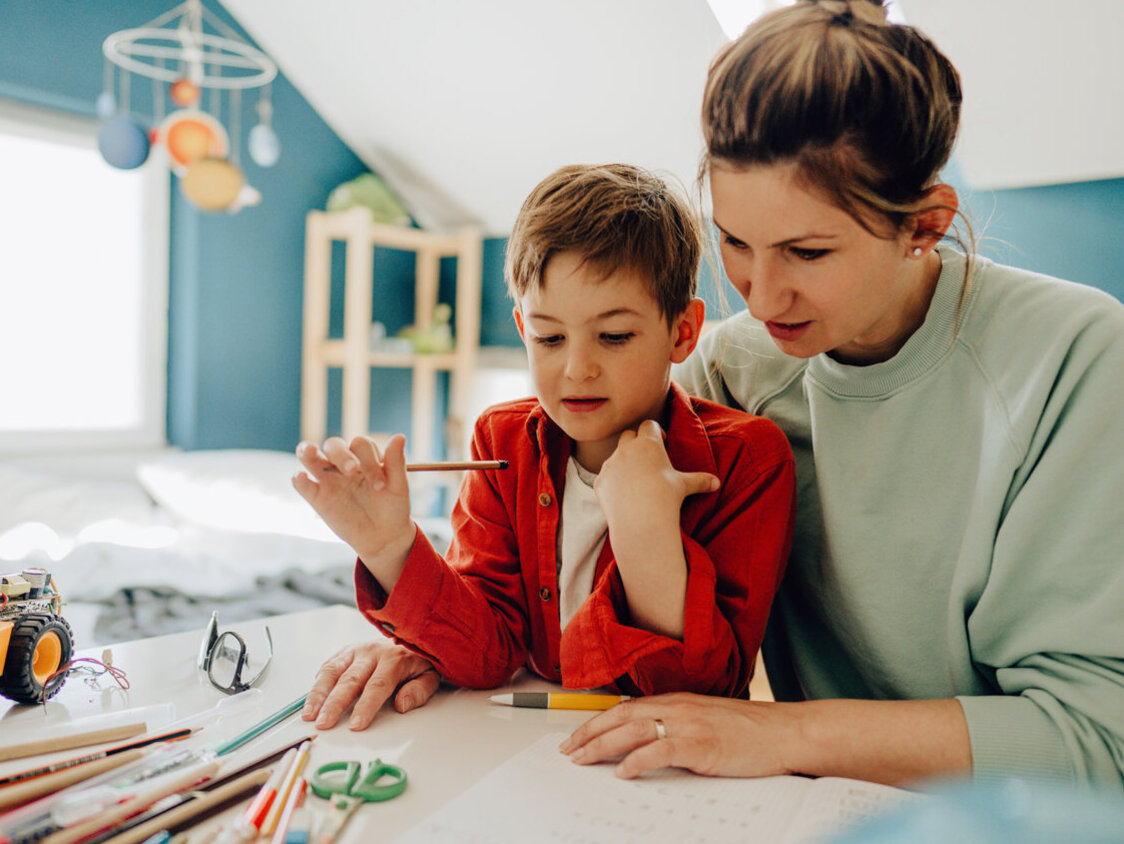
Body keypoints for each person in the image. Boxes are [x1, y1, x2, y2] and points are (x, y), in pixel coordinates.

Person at [560, 0, 1124, 790]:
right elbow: (545, 543)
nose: (759, 296)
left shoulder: (1078, 357)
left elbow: (1095, 740)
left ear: (924, 225)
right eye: (735, 242)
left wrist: (775, 731)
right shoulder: (733, 369)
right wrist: (423, 623)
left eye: (808, 251)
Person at [294, 163, 797, 730]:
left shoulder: (748, 459)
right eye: (549, 337)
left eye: (613, 336)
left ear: (682, 333)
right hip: (522, 750)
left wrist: (645, 532)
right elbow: (486, 657)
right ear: (522, 328)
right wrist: (390, 549)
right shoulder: (499, 440)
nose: (577, 368)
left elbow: (704, 693)